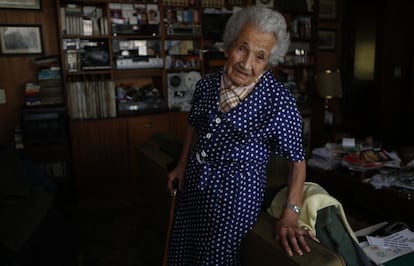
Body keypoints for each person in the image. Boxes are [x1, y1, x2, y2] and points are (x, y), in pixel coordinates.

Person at [166, 6, 316, 265]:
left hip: (234, 200)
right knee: (182, 253)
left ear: (269, 61)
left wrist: (290, 214)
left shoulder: (280, 102)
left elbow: (297, 161)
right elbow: (194, 125)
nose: (247, 63)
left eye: (260, 56)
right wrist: (181, 165)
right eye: (242, 48)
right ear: (228, 46)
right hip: (192, 187)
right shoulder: (206, 85)